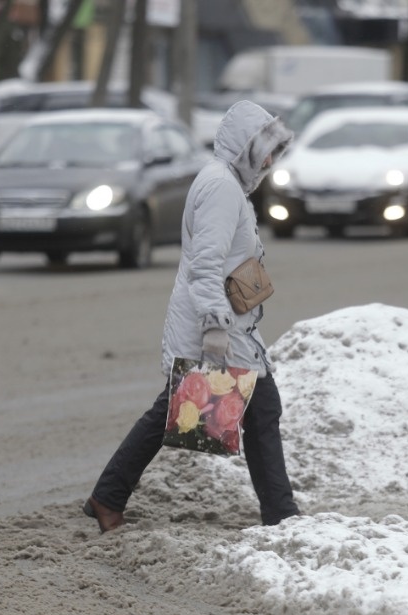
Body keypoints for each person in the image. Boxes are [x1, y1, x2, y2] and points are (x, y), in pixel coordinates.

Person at [83, 101, 301, 533]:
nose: (270, 162)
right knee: (195, 411)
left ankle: (108, 496)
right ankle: (281, 515)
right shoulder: (221, 188)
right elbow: (205, 264)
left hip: (227, 322)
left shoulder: (225, 183)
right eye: (264, 151)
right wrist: (215, 327)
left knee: (242, 409)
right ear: (244, 147)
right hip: (216, 324)